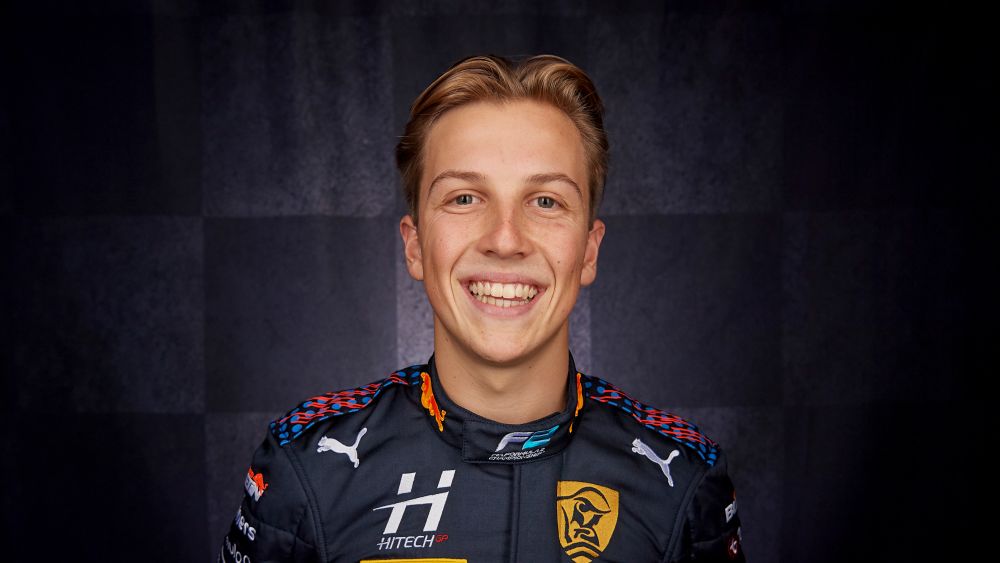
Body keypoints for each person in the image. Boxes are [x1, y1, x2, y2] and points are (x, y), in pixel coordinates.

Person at [219, 54, 744, 563]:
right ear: (415, 246)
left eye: (546, 201)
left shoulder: (683, 482)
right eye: (465, 198)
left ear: (588, 251)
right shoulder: (306, 469)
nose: (505, 239)